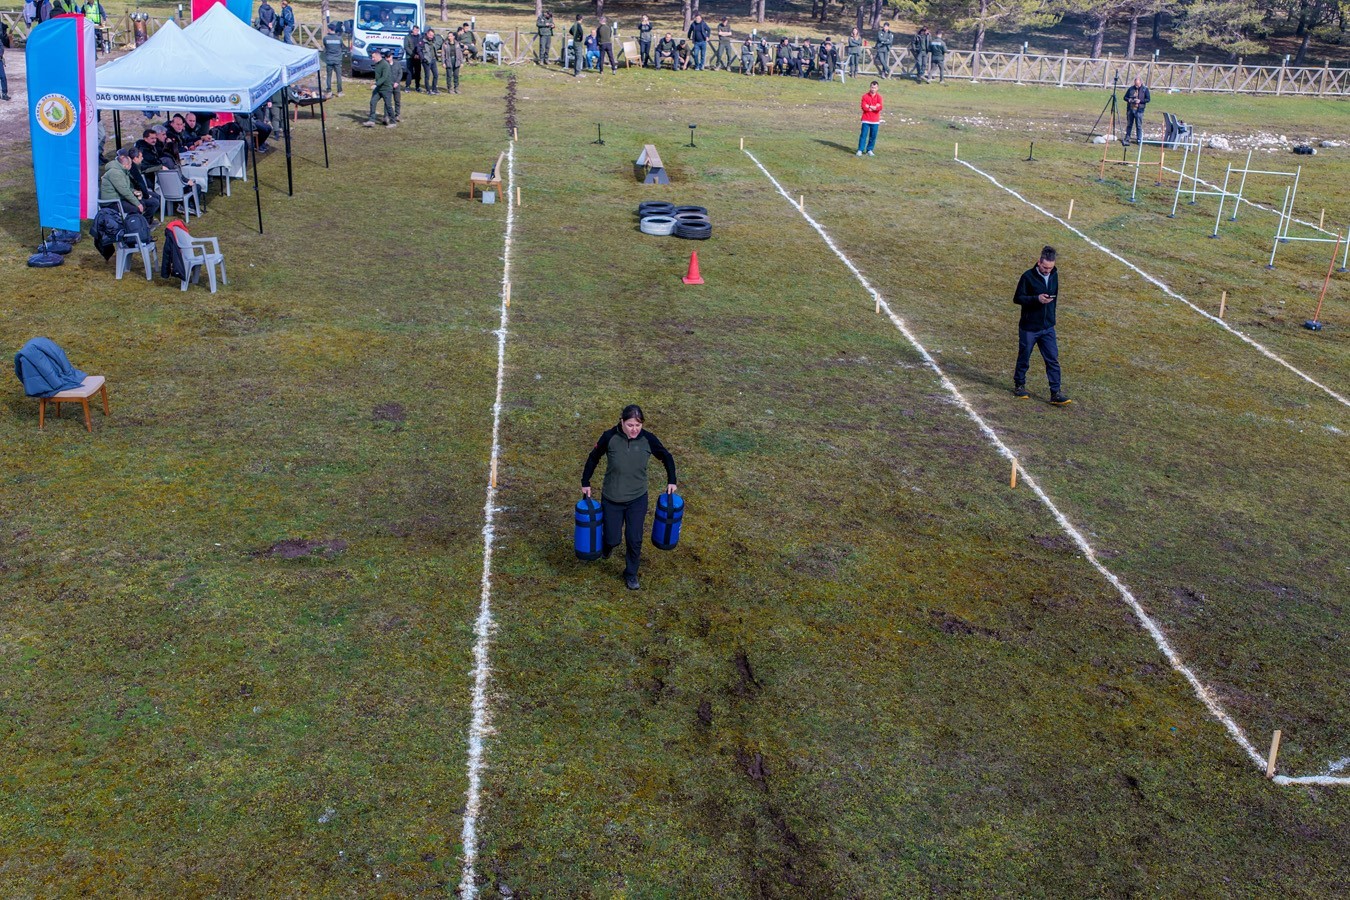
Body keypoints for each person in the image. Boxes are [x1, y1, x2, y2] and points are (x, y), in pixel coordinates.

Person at [580, 405, 678, 592]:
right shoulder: (609, 437)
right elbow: (594, 457)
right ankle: (608, 545)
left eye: (638, 425)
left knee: (634, 538)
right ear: (622, 422)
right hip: (612, 498)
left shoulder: (648, 439)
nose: (634, 429)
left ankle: (631, 574)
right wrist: (585, 481)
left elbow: (666, 456)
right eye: (630, 425)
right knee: (612, 538)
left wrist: (672, 480)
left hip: (637, 499)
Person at [1013, 246, 1071, 405]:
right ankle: (1019, 385)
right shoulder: (1027, 277)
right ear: (1039, 262)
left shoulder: (1054, 275)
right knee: (1024, 357)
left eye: (1050, 268)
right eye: (1045, 267)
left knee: (1052, 359)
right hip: (1029, 327)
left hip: (1047, 328)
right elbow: (1017, 298)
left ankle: (1055, 393)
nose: (1047, 270)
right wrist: (1036, 299)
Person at [100, 148, 144, 216]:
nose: (131, 166)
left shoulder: (121, 170)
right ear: (125, 165)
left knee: (141, 204)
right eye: (130, 164)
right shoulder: (115, 173)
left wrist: (133, 191)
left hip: (118, 198)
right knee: (136, 208)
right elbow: (124, 191)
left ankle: (139, 223)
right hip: (111, 203)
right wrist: (138, 204)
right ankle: (131, 224)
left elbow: (124, 187)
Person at [363, 48, 395, 127]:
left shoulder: (385, 64)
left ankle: (393, 122)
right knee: (372, 102)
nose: (372, 59)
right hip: (379, 88)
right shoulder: (377, 64)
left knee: (388, 105)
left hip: (386, 88)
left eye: (373, 57)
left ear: (378, 56)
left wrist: (376, 84)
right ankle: (371, 120)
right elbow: (378, 76)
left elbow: (384, 77)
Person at [1123, 76, 1150, 147]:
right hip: (1130, 109)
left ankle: (1139, 139)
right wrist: (1129, 100)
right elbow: (1125, 97)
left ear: (1140, 83)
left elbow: (1148, 99)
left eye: (1137, 84)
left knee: (1139, 125)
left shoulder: (1145, 89)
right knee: (1129, 125)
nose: (1136, 86)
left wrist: (1140, 101)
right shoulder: (1131, 89)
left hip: (1139, 110)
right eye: (1135, 84)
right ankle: (1127, 137)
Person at [857, 80, 882, 156]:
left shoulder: (879, 97)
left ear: (877, 88)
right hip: (866, 119)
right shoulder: (865, 96)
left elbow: (880, 107)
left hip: (875, 120)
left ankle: (869, 150)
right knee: (863, 135)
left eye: (874, 88)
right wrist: (873, 107)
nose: (873, 89)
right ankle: (860, 150)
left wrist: (870, 106)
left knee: (873, 136)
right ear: (870, 87)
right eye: (872, 87)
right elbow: (864, 107)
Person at [323, 23, 344, 96]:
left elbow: (325, 46)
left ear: (329, 29)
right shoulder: (339, 38)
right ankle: (339, 91)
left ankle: (329, 91)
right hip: (337, 59)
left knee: (329, 76)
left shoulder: (326, 38)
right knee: (338, 76)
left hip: (329, 59)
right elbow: (342, 47)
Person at [422, 28, 441, 94]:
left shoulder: (433, 41)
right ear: (427, 34)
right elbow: (419, 50)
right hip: (426, 61)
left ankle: (434, 89)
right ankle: (428, 90)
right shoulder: (422, 41)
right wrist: (424, 58)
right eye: (430, 35)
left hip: (433, 60)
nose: (431, 37)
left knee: (436, 74)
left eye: (432, 35)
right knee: (427, 75)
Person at [403, 25, 422, 91]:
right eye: (415, 30)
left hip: (418, 57)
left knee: (418, 72)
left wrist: (419, 55)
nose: (416, 32)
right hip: (410, 57)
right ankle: (407, 86)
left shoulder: (420, 37)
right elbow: (406, 47)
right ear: (412, 30)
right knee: (409, 72)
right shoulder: (407, 37)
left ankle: (417, 86)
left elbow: (421, 46)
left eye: (417, 30)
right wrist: (413, 55)